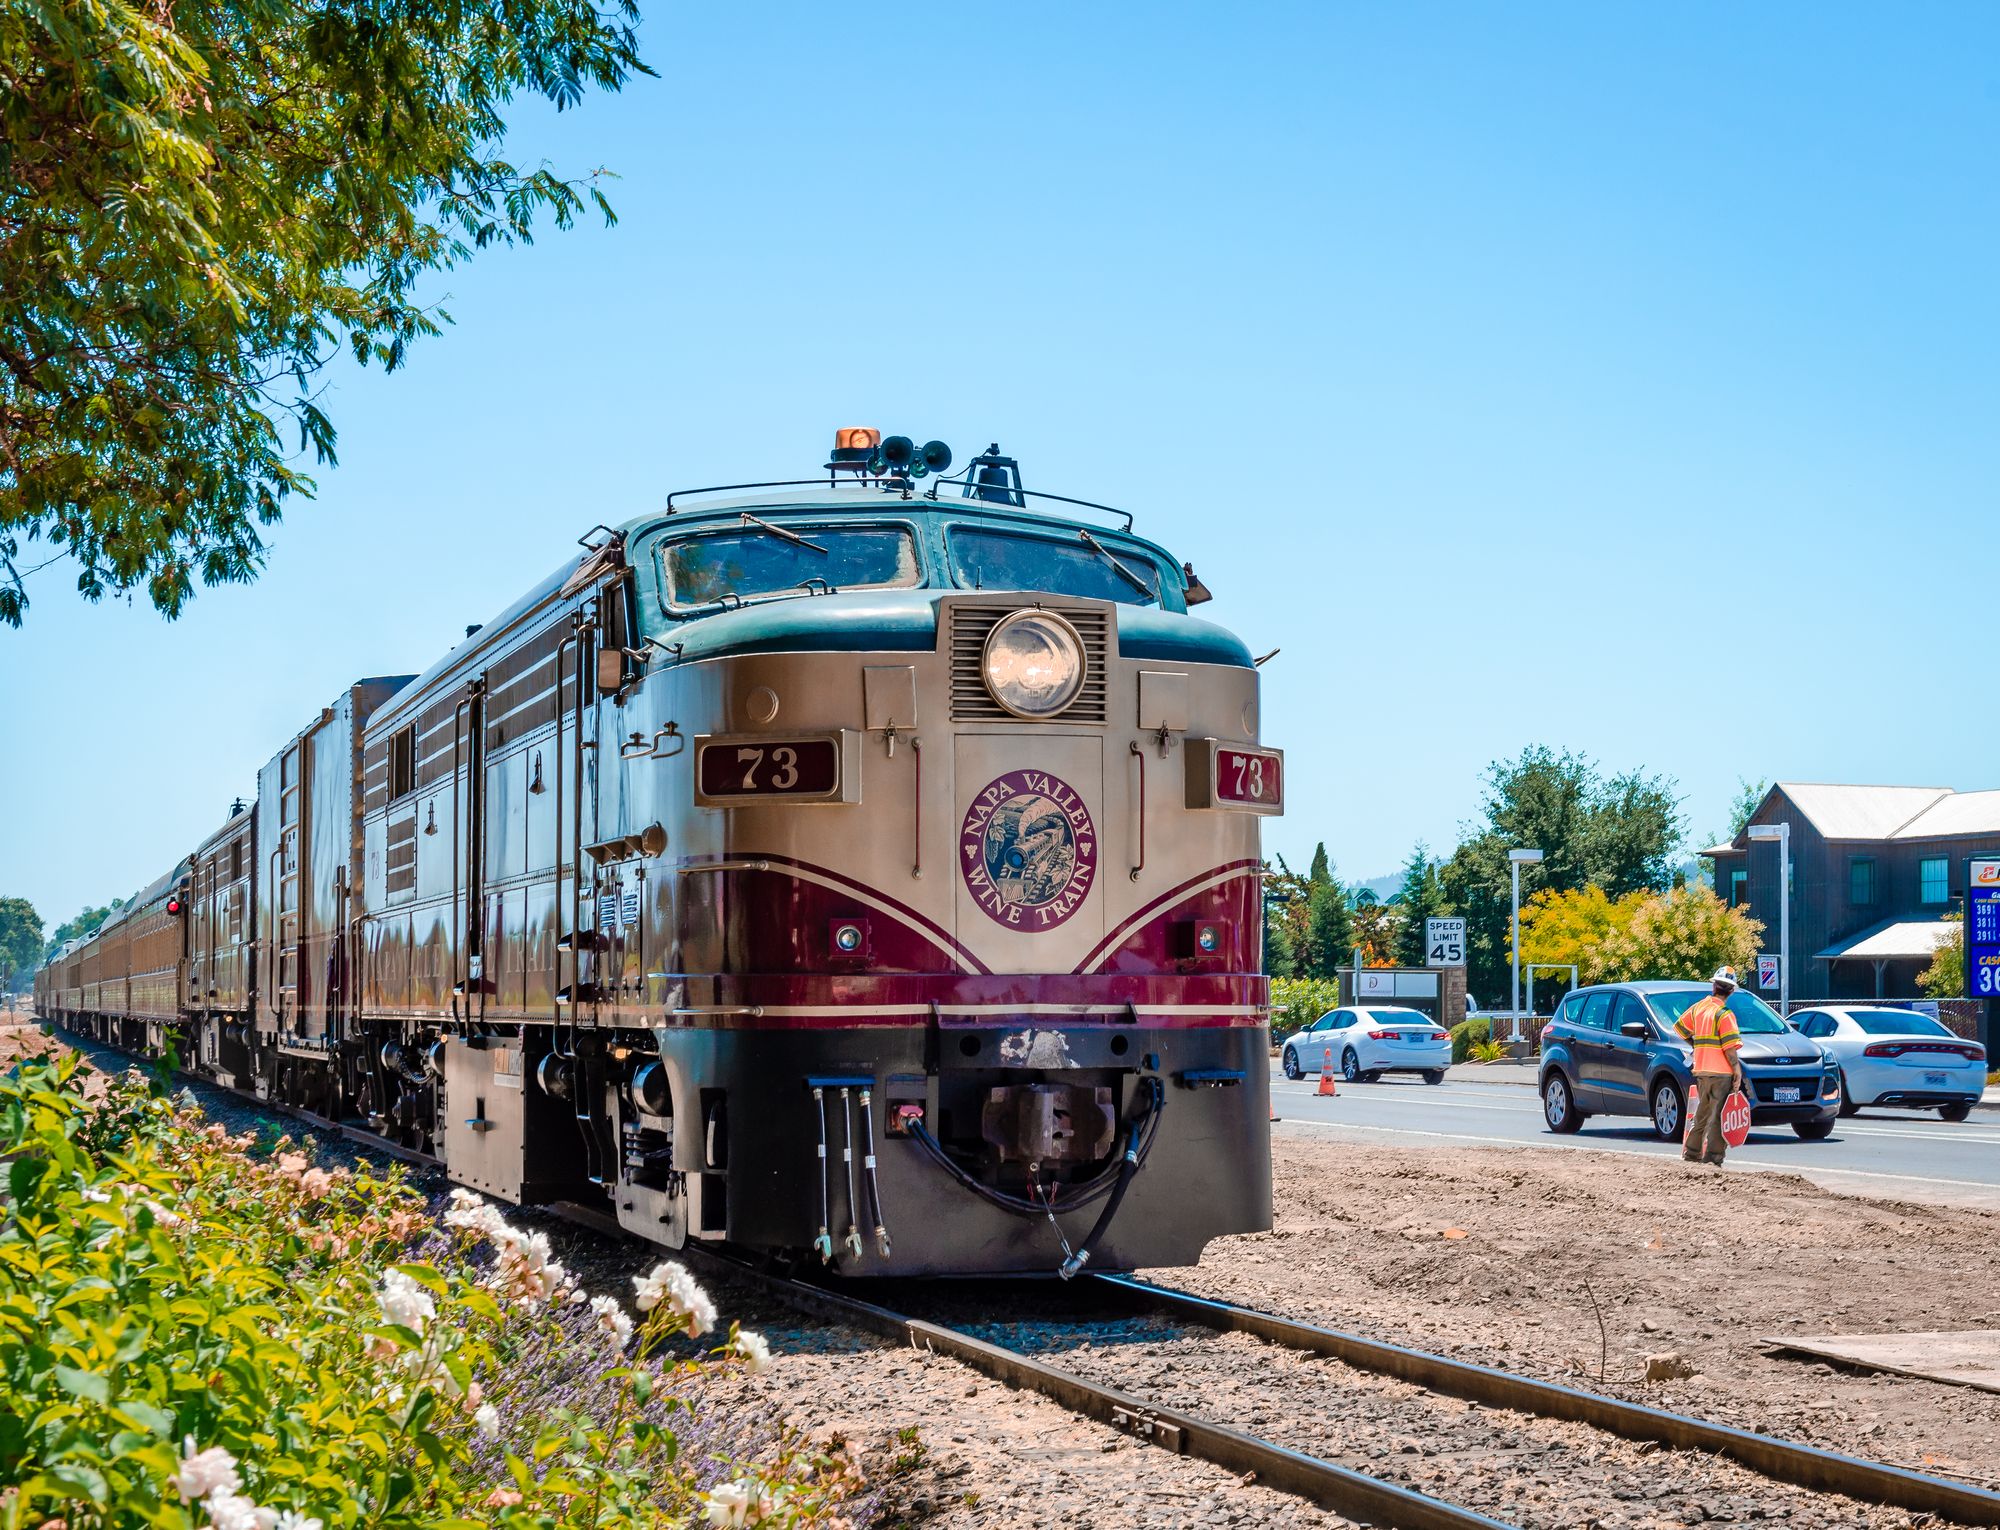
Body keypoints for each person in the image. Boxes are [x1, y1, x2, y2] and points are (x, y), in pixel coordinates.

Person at [1674, 965, 1749, 1165]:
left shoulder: (1699, 1008)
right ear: (1731, 991)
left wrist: (1697, 1045)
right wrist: (1737, 1072)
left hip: (1701, 1070)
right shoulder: (1724, 1014)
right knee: (1718, 1119)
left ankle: (1691, 1155)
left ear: (1714, 986)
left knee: (1702, 1115)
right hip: (1721, 1073)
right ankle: (1713, 1159)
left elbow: (1680, 1028)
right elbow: (1730, 1049)